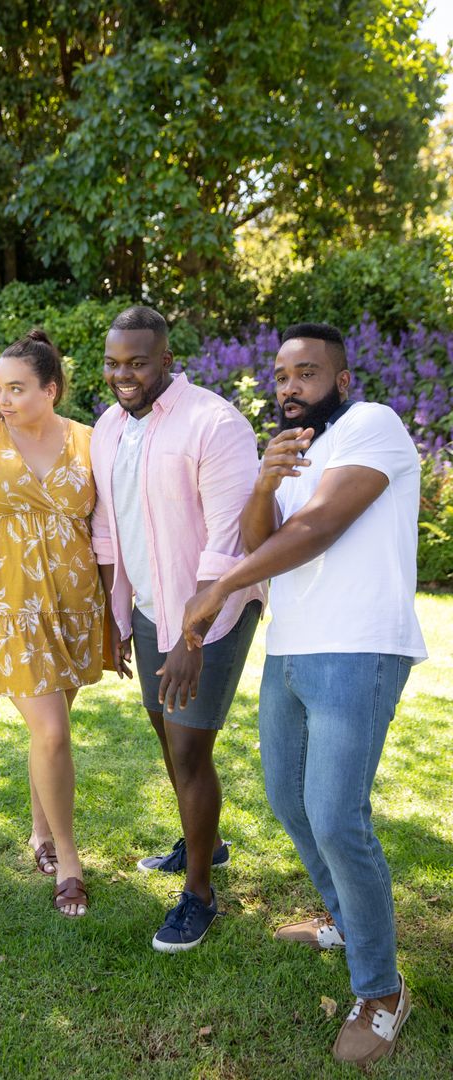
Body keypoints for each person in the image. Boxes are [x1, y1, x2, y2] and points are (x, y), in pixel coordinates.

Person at [182, 322, 426, 1066]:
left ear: (341, 381)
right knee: (290, 802)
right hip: (291, 646)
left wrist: (219, 588)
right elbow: (266, 539)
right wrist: (263, 482)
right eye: (282, 375)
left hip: (358, 647)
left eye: (307, 374)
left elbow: (319, 527)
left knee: (336, 816)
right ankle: (348, 922)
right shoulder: (295, 447)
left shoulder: (372, 425)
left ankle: (381, 990)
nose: (290, 387)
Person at [90, 306, 265, 952]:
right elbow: (108, 529)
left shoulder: (214, 423)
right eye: (113, 363)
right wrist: (114, 616)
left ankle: (200, 894)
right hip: (146, 608)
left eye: (138, 363)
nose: (123, 375)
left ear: (166, 359)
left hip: (211, 611)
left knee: (190, 750)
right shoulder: (108, 427)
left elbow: (228, 541)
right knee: (166, 733)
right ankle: (204, 844)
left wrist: (192, 637)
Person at [0, 329, 105, 917]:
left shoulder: (91, 440)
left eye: (16, 388)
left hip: (73, 605)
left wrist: (118, 611)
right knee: (51, 730)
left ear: (51, 389)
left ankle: (40, 833)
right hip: (6, 605)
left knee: (51, 728)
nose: (3, 399)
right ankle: (68, 860)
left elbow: (111, 528)